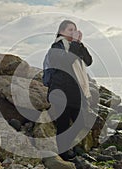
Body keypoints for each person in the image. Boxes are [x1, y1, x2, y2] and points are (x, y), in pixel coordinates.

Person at [42, 20, 93, 161]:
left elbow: (89, 61)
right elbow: (64, 62)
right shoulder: (56, 46)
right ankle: (63, 153)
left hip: (75, 92)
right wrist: (75, 43)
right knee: (63, 124)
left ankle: (65, 148)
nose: (73, 32)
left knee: (81, 122)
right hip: (60, 91)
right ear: (61, 31)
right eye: (70, 30)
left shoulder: (75, 46)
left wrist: (79, 44)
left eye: (75, 29)